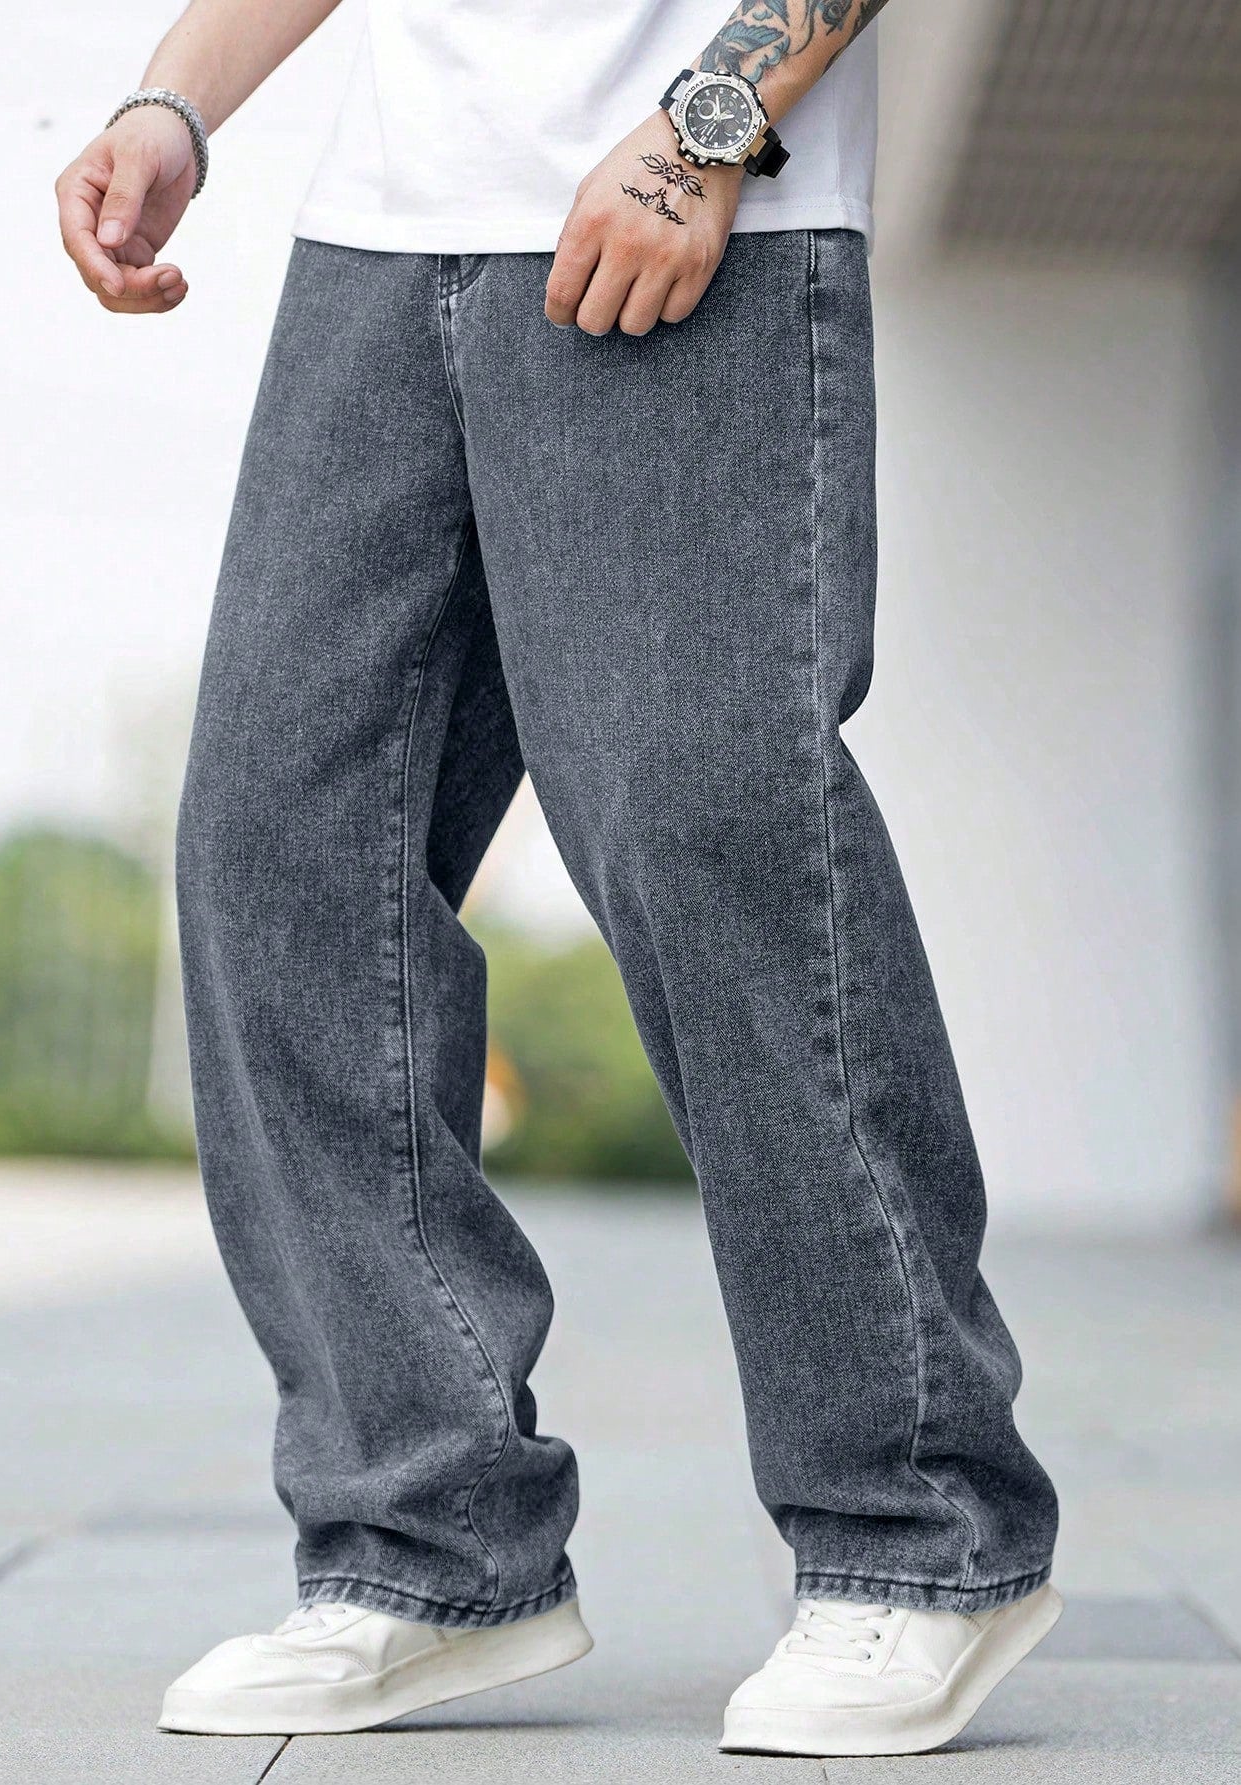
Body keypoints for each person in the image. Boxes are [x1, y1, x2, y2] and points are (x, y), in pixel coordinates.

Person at [56, 0, 1062, 1758]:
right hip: (381, 239)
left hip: (688, 198)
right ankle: (426, 1538)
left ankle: (919, 1530)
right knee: (275, 844)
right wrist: (176, 104)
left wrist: (709, 125)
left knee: (701, 823)